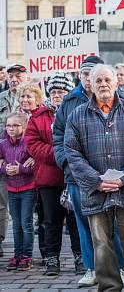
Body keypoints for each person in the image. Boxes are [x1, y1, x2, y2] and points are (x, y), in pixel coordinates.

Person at [64, 64, 124, 292]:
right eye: (98, 81)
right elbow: (72, 153)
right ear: (90, 85)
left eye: (107, 80)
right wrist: (96, 181)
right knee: (101, 246)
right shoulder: (77, 115)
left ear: (116, 83)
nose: (103, 84)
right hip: (95, 192)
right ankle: (110, 287)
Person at [53, 56, 124, 287]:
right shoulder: (69, 101)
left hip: (109, 175)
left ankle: (119, 268)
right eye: (85, 73)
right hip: (77, 176)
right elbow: (58, 137)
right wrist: (66, 162)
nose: (89, 78)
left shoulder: (118, 99)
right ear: (81, 76)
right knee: (84, 224)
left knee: (112, 225)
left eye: (94, 74)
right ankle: (92, 268)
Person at [23, 73, 83, 276]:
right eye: (54, 91)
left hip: (74, 175)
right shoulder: (38, 117)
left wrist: (69, 155)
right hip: (49, 177)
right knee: (50, 220)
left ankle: (80, 256)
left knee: (75, 219)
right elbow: (33, 144)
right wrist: (59, 154)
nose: (57, 95)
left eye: (62, 92)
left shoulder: (77, 111)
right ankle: (51, 258)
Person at [0, 63, 28, 256]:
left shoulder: (30, 97)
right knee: (1, 204)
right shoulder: (1, 99)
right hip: (3, 158)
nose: (14, 79)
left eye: (18, 75)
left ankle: (27, 250)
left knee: (25, 211)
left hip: (25, 161)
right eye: (11, 76)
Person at [1, 113, 34, 271]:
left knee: (26, 223)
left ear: (23, 126)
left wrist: (20, 168)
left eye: (15, 125)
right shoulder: (3, 144)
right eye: (8, 126)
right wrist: (5, 168)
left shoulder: (29, 142)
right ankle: (17, 254)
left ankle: (27, 256)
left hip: (28, 188)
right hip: (12, 189)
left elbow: (35, 164)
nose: (11, 129)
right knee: (16, 225)